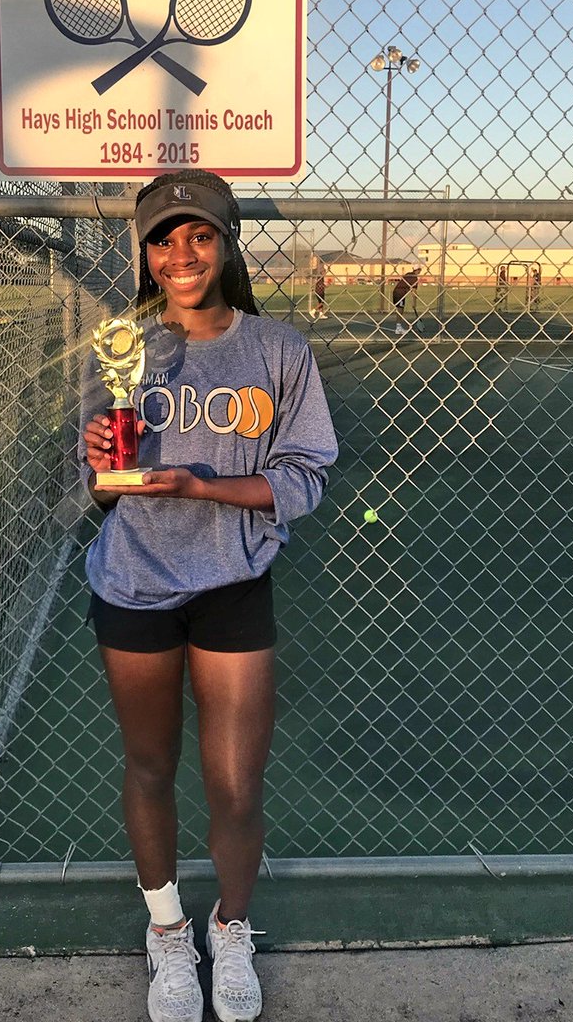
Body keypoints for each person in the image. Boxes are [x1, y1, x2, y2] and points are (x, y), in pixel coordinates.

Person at [79, 169, 338, 1022]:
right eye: (163, 239)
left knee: (235, 784)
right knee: (151, 765)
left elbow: (302, 478)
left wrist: (202, 487)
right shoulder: (122, 345)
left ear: (226, 243)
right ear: (146, 255)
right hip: (136, 582)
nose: (181, 254)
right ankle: (166, 934)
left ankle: (231, 927)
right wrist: (102, 463)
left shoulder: (278, 350)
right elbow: (105, 491)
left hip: (232, 581)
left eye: (199, 236)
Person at [392, 265, 420, 334]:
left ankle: (398, 327)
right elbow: (413, 291)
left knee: (400, 308)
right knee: (400, 309)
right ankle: (398, 328)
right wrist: (414, 303)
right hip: (400, 293)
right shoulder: (414, 278)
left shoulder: (408, 274)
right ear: (418, 270)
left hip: (396, 291)